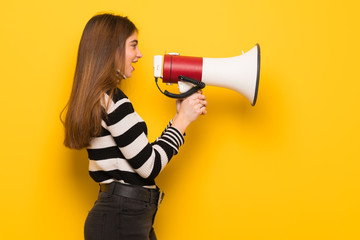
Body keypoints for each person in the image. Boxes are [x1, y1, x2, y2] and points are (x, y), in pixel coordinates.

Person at [62, 13, 207, 240]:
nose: (139, 54)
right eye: (133, 45)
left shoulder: (101, 98)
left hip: (125, 215)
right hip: (122, 216)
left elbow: (139, 156)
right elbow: (148, 166)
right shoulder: (113, 99)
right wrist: (182, 121)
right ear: (111, 49)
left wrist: (179, 118)